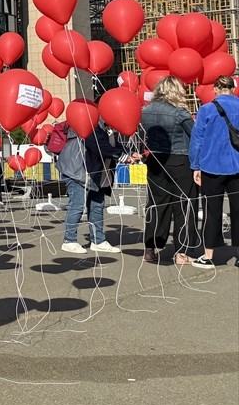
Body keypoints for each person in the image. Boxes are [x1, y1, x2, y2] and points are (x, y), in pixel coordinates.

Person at [138, 76, 198, 264]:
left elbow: (141, 135)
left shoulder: (145, 111)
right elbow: (195, 135)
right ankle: (182, 251)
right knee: (184, 205)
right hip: (179, 159)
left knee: (156, 204)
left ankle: (150, 248)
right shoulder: (180, 112)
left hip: (155, 160)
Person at [188, 74, 239, 269]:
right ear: (233, 88)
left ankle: (209, 254)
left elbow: (197, 140)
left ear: (215, 89)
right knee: (238, 209)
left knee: (212, 210)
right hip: (237, 165)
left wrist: (195, 166)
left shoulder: (207, 109)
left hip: (212, 165)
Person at [55, 119, 125, 254]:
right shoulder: (90, 123)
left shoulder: (108, 129)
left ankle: (98, 241)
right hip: (77, 171)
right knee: (77, 205)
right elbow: (99, 146)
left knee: (97, 206)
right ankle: (69, 241)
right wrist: (123, 157)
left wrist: (129, 153)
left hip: (97, 173)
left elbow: (113, 146)